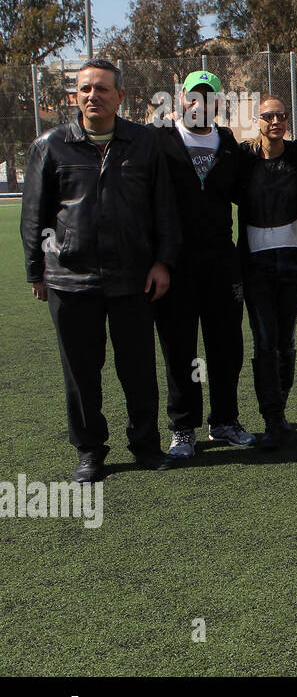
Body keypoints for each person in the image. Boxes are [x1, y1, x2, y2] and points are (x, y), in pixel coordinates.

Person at [21, 59, 181, 482]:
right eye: (85, 89)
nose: (93, 96)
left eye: (102, 89)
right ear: (75, 95)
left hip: (132, 277)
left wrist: (163, 261)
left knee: (139, 368)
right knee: (80, 373)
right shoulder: (51, 145)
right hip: (69, 280)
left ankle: (145, 444)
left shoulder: (145, 143)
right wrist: (36, 272)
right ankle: (90, 451)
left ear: (120, 96)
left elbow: (163, 208)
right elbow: (34, 217)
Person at [151, 69, 256, 456]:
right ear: (181, 99)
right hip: (175, 264)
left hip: (220, 261)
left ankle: (225, 421)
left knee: (227, 346)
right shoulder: (159, 140)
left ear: (217, 104)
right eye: (193, 96)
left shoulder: (228, 144)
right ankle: (183, 429)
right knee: (181, 349)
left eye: (208, 97)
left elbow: (250, 191)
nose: (200, 103)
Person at [233, 94, 297, 449]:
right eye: (268, 116)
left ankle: (280, 410)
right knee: (265, 340)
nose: (275, 121)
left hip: (294, 260)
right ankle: (271, 418)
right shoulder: (242, 157)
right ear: (258, 120)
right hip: (255, 262)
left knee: (286, 339)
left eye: (281, 115)